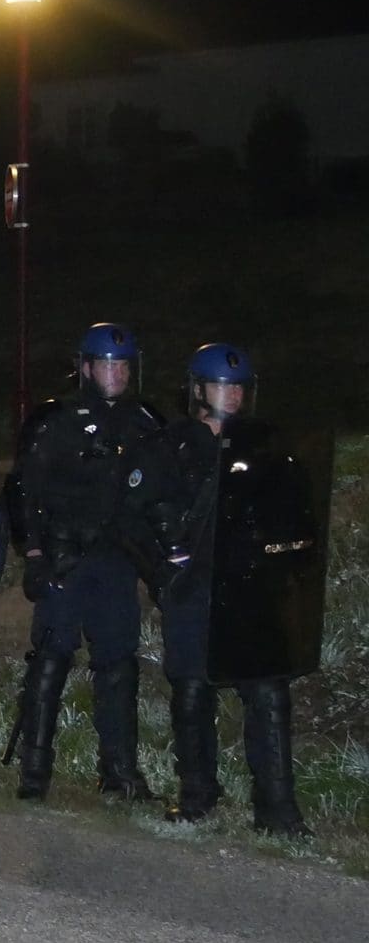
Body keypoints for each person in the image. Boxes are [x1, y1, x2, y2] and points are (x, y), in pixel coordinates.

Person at [133, 344, 314, 836]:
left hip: (252, 590)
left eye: (237, 387)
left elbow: (295, 513)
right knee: (192, 692)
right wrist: (164, 574)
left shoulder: (265, 448)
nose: (231, 395)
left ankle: (278, 811)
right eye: (221, 386)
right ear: (197, 389)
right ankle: (197, 795)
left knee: (268, 692)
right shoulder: (170, 446)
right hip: (194, 591)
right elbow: (135, 519)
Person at [8, 322, 164, 802]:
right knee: (51, 659)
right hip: (63, 558)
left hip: (117, 561)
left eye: (122, 364)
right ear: (85, 367)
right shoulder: (55, 419)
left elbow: (159, 495)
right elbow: (21, 492)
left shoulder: (144, 419)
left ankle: (119, 773)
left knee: (118, 663)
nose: (115, 373)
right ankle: (35, 774)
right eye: (106, 363)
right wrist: (33, 554)